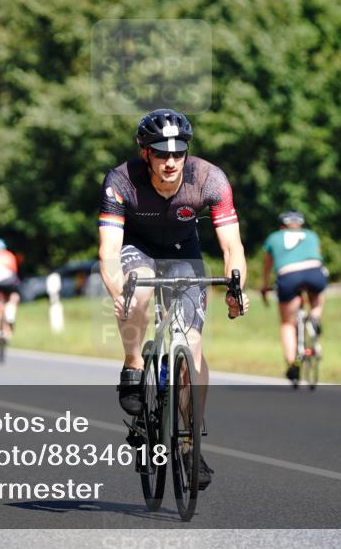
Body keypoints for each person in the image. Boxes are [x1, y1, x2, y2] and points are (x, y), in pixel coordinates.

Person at [97, 108, 250, 491]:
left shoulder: (210, 179)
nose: (170, 161)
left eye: (177, 153)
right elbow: (109, 251)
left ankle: (189, 444)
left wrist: (236, 291)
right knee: (141, 286)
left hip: (184, 251)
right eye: (160, 153)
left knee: (191, 346)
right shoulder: (121, 181)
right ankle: (133, 364)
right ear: (144, 152)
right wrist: (119, 293)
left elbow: (232, 248)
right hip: (137, 248)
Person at [261, 209, 328, 382]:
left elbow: (267, 265)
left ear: (282, 226)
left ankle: (292, 364)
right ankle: (315, 316)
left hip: (288, 276)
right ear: (301, 224)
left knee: (287, 323)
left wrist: (265, 286)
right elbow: (318, 256)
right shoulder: (311, 235)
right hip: (315, 272)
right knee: (317, 298)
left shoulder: (274, 237)